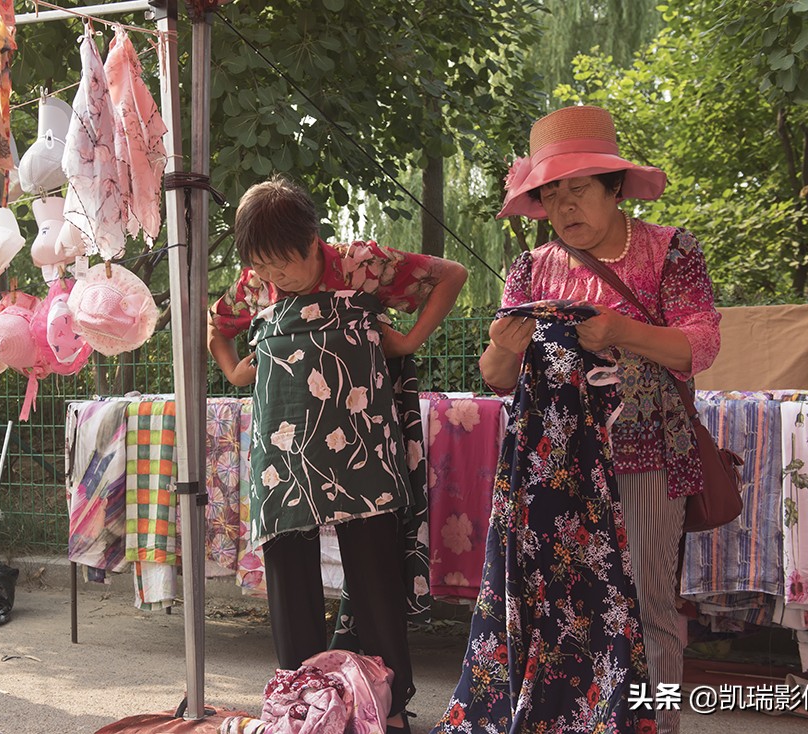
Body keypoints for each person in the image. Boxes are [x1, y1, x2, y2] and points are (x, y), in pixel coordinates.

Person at [437, 105, 721, 734]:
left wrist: (623, 332)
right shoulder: (531, 268)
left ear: (615, 188)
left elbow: (699, 346)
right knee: (558, 605)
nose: (564, 207)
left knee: (647, 603)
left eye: (578, 188)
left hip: (645, 449)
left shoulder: (670, 250)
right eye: (552, 193)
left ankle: (655, 725)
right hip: (555, 465)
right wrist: (505, 345)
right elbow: (497, 377)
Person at [208, 175, 468, 734]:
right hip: (283, 450)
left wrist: (409, 339)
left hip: (360, 443)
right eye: (264, 268)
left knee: (374, 566)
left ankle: (388, 704)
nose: (275, 278)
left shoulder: (361, 265)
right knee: (287, 566)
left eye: (285, 265)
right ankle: (301, 705)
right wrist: (234, 369)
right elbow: (219, 325)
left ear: (313, 240)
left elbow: (450, 275)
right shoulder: (256, 284)